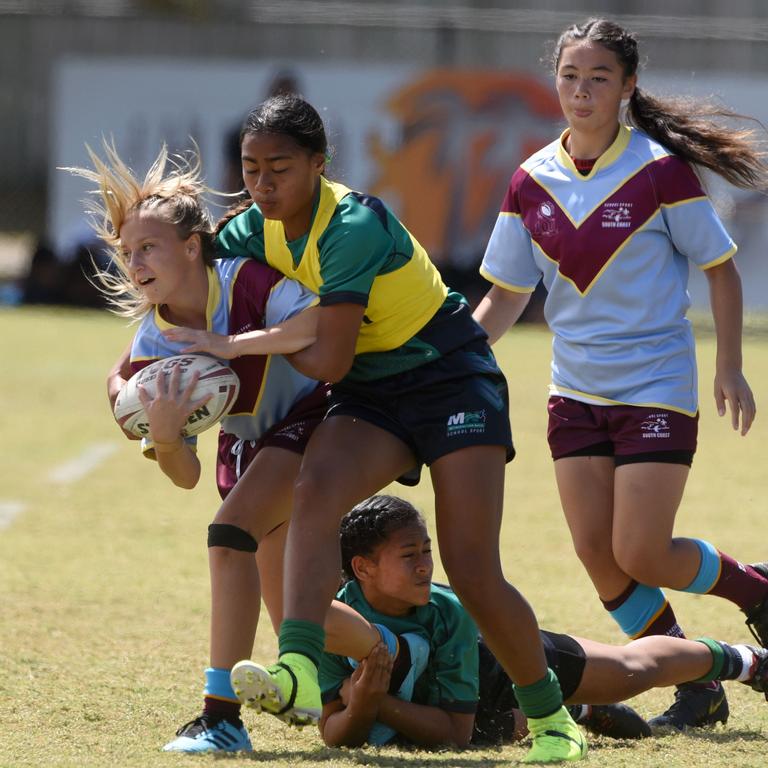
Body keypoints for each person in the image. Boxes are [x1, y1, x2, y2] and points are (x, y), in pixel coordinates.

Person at [200, 93, 587, 763]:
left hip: (451, 375)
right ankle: (295, 666)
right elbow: (193, 264)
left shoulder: (351, 226)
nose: (263, 184)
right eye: (251, 167)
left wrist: (240, 347)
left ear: (319, 165)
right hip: (375, 392)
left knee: (470, 568)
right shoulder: (248, 227)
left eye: (281, 168)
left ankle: (552, 720)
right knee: (313, 494)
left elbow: (329, 358)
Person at [473, 17, 768, 732]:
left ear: (627, 87)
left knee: (640, 549)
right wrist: (451, 358)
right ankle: (696, 682)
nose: (581, 91)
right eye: (571, 76)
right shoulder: (530, 180)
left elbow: (721, 272)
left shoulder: (660, 172)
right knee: (597, 554)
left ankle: (757, 591)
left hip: (655, 386)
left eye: (599, 78)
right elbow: (506, 296)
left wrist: (728, 364)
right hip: (572, 391)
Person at [76, 142, 391, 754]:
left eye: (148, 247)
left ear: (192, 246)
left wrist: (233, 345)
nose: (134, 263)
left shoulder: (241, 279)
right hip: (249, 447)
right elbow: (186, 475)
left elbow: (315, 323)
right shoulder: (155, 340)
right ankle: (393, 650)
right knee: (297, 617)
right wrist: (165, 436)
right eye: (126, 253)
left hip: (317, 416)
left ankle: (220, 716)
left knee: (227, 536)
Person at [319, 495, 768, 749]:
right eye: (408, 555)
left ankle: (747, 661)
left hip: (501, 661)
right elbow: (335, 732)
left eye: (426, 550)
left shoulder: (449, 610)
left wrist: (375, 702)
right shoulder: (334, 622)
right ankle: (578, 711)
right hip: (467, 716)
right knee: (493, 733)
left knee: (632, 672)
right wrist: (365, 705)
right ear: (363, 569)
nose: (425, 565)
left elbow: (452, 733)